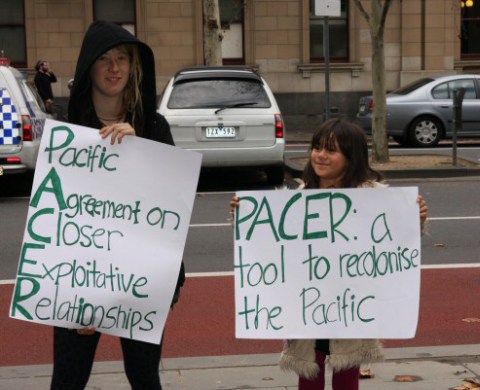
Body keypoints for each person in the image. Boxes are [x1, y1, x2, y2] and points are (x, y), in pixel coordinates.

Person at [230, 117, 428, 390]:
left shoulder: (374, 198)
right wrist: (247, 217)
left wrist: (413, 218)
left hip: (351, 304)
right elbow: (271, 244)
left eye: (331, 150)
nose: (320, 156)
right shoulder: (300, 196)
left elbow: (395, 242)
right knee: (309, 372)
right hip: (308, 303)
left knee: (346, 373)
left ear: (352, 156)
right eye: (316, 147)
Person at [50, 21, 185, 390]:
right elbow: (54, 213)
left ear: (133, 65)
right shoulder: (68, 133)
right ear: (88, 67)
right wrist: (75, 293)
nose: (114, 68)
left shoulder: (154, 126)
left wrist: (140, 148)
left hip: (142, 277)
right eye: (104, 59)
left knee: (144, 377)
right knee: (68, 378)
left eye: (122, 58)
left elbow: (172, 203)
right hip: (79, 279)